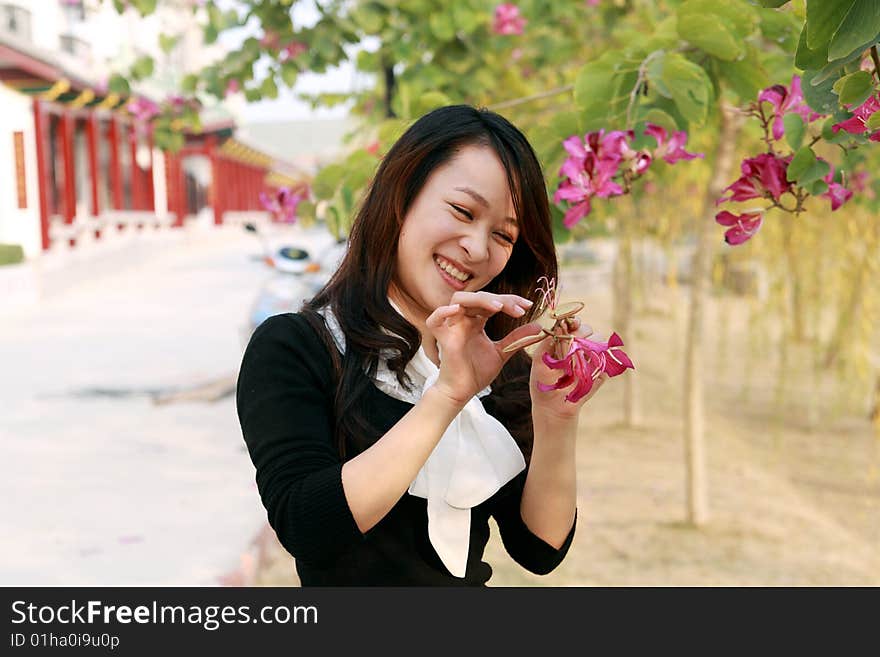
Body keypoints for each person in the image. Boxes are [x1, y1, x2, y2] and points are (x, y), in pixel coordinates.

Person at [236, 104, 607, 586]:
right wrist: (447, 395)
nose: (477, 247)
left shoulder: (497, 364)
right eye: (462, 211)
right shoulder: (298, 347)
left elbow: (539, 548)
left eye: (502, 234)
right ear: (401, 196)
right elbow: (309, 528)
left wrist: (557, 420)